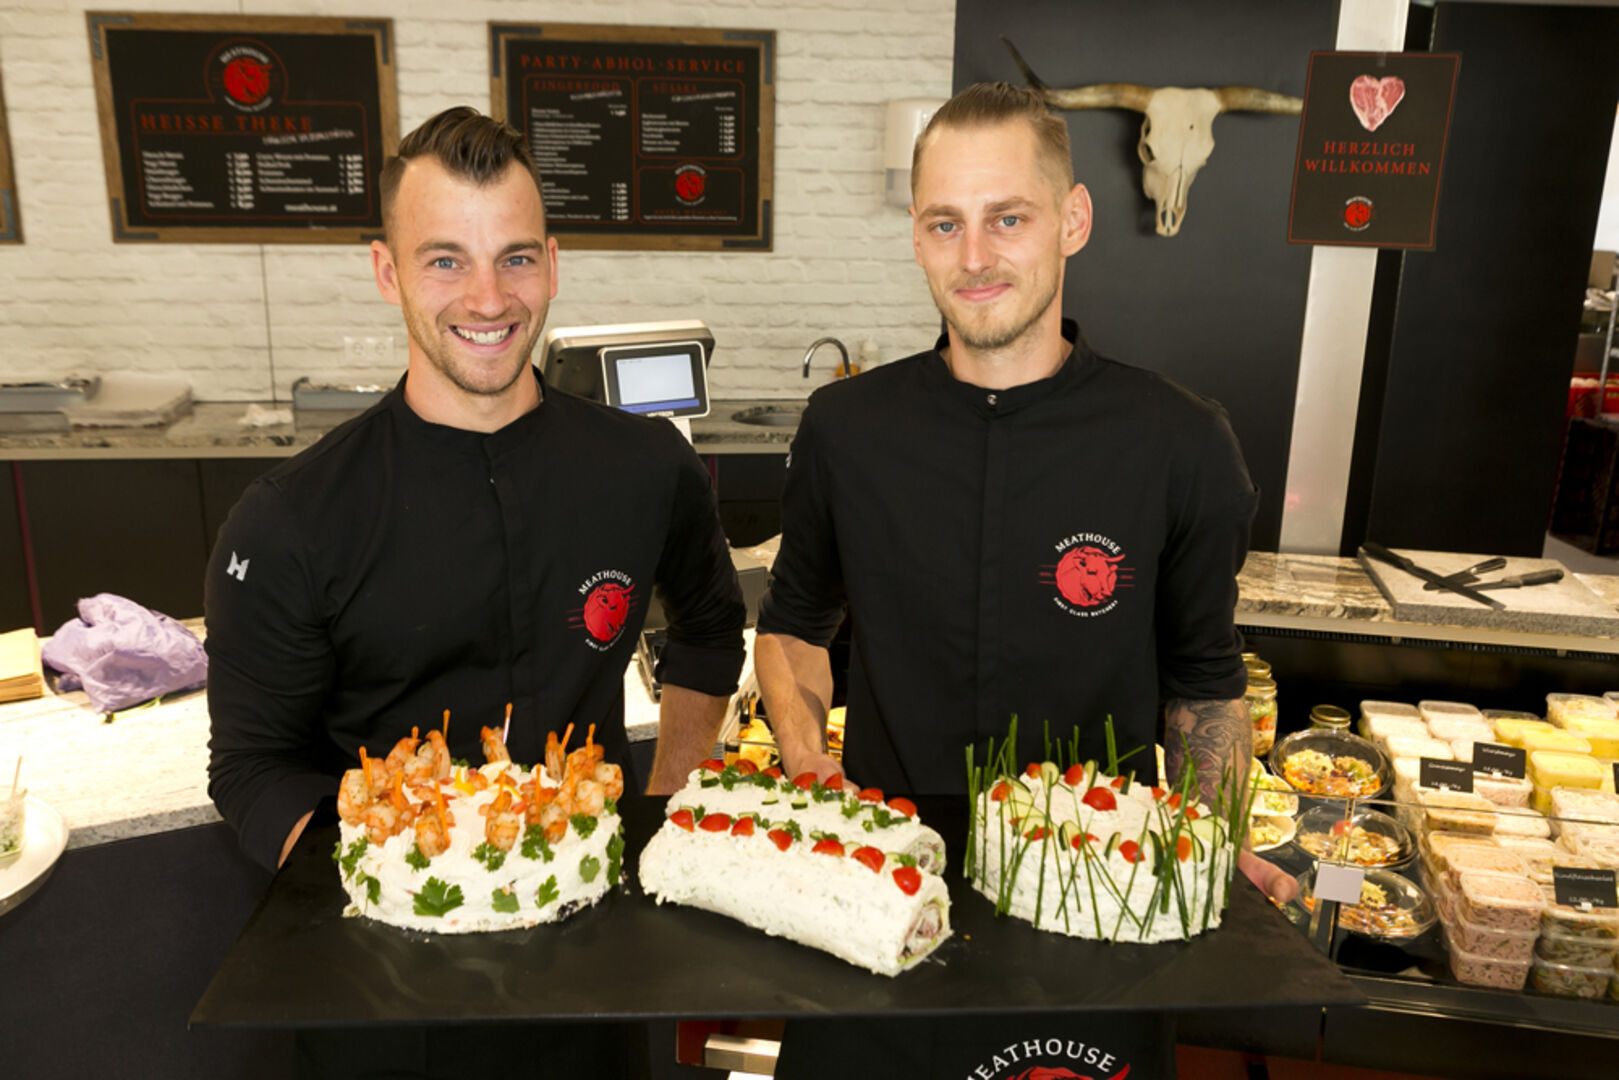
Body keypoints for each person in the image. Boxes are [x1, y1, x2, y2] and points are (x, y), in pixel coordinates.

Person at [755, 83, 1287, 1079]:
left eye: (1007, 218)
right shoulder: (847, 429)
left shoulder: (1178, 442)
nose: (974, 256)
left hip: (1093, 923)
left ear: (1071, 221)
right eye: (943, 224)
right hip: (878, 895)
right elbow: (791, 624)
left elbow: (1203, 684)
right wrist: (800, 755)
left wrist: (1204, 853)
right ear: (914, 236)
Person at [204, 107, 745, 1076]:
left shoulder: (642, 466)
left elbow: (707, 628)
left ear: (553, 261)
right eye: (445, 260)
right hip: (381, 997)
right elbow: (251, 768)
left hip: (592, 973)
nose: (488, 297)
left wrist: (667, 798)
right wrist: (406, 881)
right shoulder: (292, 518)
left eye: (516, 258)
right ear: (387, 271)